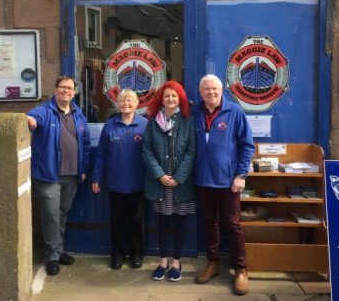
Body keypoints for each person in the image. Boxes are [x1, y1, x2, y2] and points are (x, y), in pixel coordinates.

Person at [192, 74, 255, 295]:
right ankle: (212, 263)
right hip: (203, 179)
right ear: (201, 93)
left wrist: (241, 175)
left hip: (229, 181)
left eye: (214, 89)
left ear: (222, 90)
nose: (211, 92)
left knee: (233, 224)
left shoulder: (234, 111)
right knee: (210, 222)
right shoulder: (195, 113)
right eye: (206, 89)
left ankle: (240, 269)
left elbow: (248, 146)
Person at [27, 75, 91, 276]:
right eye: (62, 87)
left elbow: (86, 145)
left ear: (74, 92)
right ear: (55, 90)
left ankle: (58, 250)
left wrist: (83, 170)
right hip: (49, 176)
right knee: (51, 217)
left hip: (72, 175)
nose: (66, 90)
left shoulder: (78, 115)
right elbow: (33, 119)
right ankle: (52, 256)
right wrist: (29, 120)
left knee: (62, 214)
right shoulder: (45, 111)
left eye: (70, 88)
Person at [143, 81, 196, 282]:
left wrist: (179, 178)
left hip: (181, 182)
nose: (171, 99)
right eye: (167, 96)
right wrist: (160, 175)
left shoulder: (187, 122)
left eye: (174, 96)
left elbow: (192, 151)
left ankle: (176, 261)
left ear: (180, 99)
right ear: (161, 100)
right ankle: (163, 260)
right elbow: (146, 150)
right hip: (160, 182)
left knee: (179, 222)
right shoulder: (152, 122)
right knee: (163, 222)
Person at [91, 89, 148, 270]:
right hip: (116, 183)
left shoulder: (145, 125)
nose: (126, 104)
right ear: (118, 103)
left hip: (138, 184)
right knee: (117, 221)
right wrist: (96, 178)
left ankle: (137, 254)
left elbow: (153, 155)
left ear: (137, 104)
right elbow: (101, 155)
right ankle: (117, 254)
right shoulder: (110, 125)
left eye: (130, 100)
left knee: (137, 221)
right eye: (122, 100)